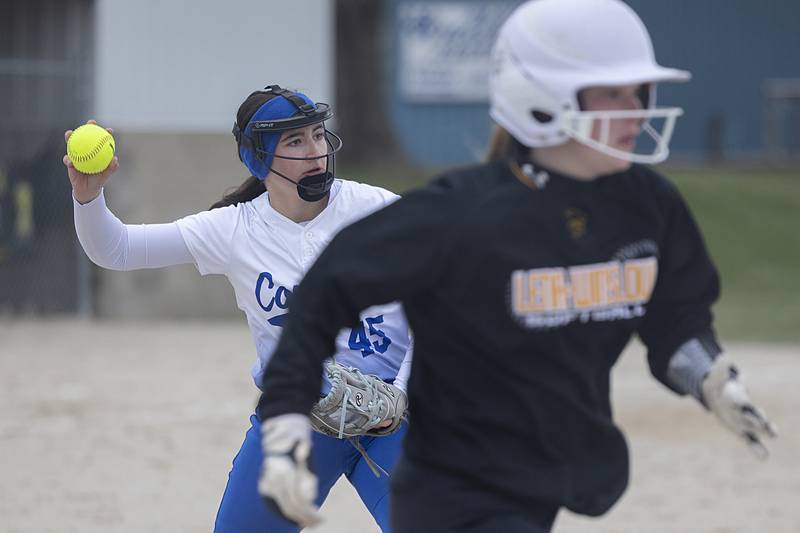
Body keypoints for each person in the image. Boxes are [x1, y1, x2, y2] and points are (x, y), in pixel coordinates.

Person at [255, 1, 777, 531]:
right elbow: (325, 293)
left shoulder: (647, 209)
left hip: (552, 472)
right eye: (611, 93)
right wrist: (286, 420)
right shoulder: (461, 216)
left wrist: (712, 378)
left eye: (638, 91)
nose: (635, 110)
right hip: (456, 489)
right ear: (541, 98)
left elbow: (675, 316)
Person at [64, 85, 413, 533]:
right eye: (295, 141)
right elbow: (116, 250)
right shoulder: (234, 230)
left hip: (395, 415)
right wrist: (88, 198)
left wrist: (401, 394)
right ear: (259, 159)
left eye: (318, 135)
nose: (316, 151)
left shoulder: (379, 210)